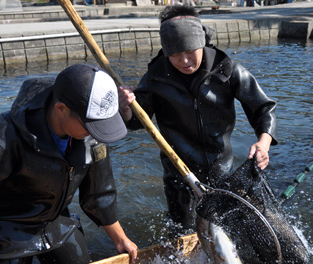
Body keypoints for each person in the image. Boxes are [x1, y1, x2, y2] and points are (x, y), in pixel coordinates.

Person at [118, 5, 277, 233]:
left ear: (201, 42)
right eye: (175, 54)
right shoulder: (155, 77)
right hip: (178, 174)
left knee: (225, 233)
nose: (184, 60)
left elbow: (264, 107)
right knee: (180, 232)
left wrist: (264, 142)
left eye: (190, 50)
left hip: (222, 172)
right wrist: (125, 107)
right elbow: (135, 122)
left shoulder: (227, 70)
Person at [0, 63, 138, 264]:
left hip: (56, 221)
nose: (96, 133)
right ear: (61, 109)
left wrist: (121, 239)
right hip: (5, 231)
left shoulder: (93, 133)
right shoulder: (2, 135)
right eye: (90, 126)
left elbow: (99, 195)